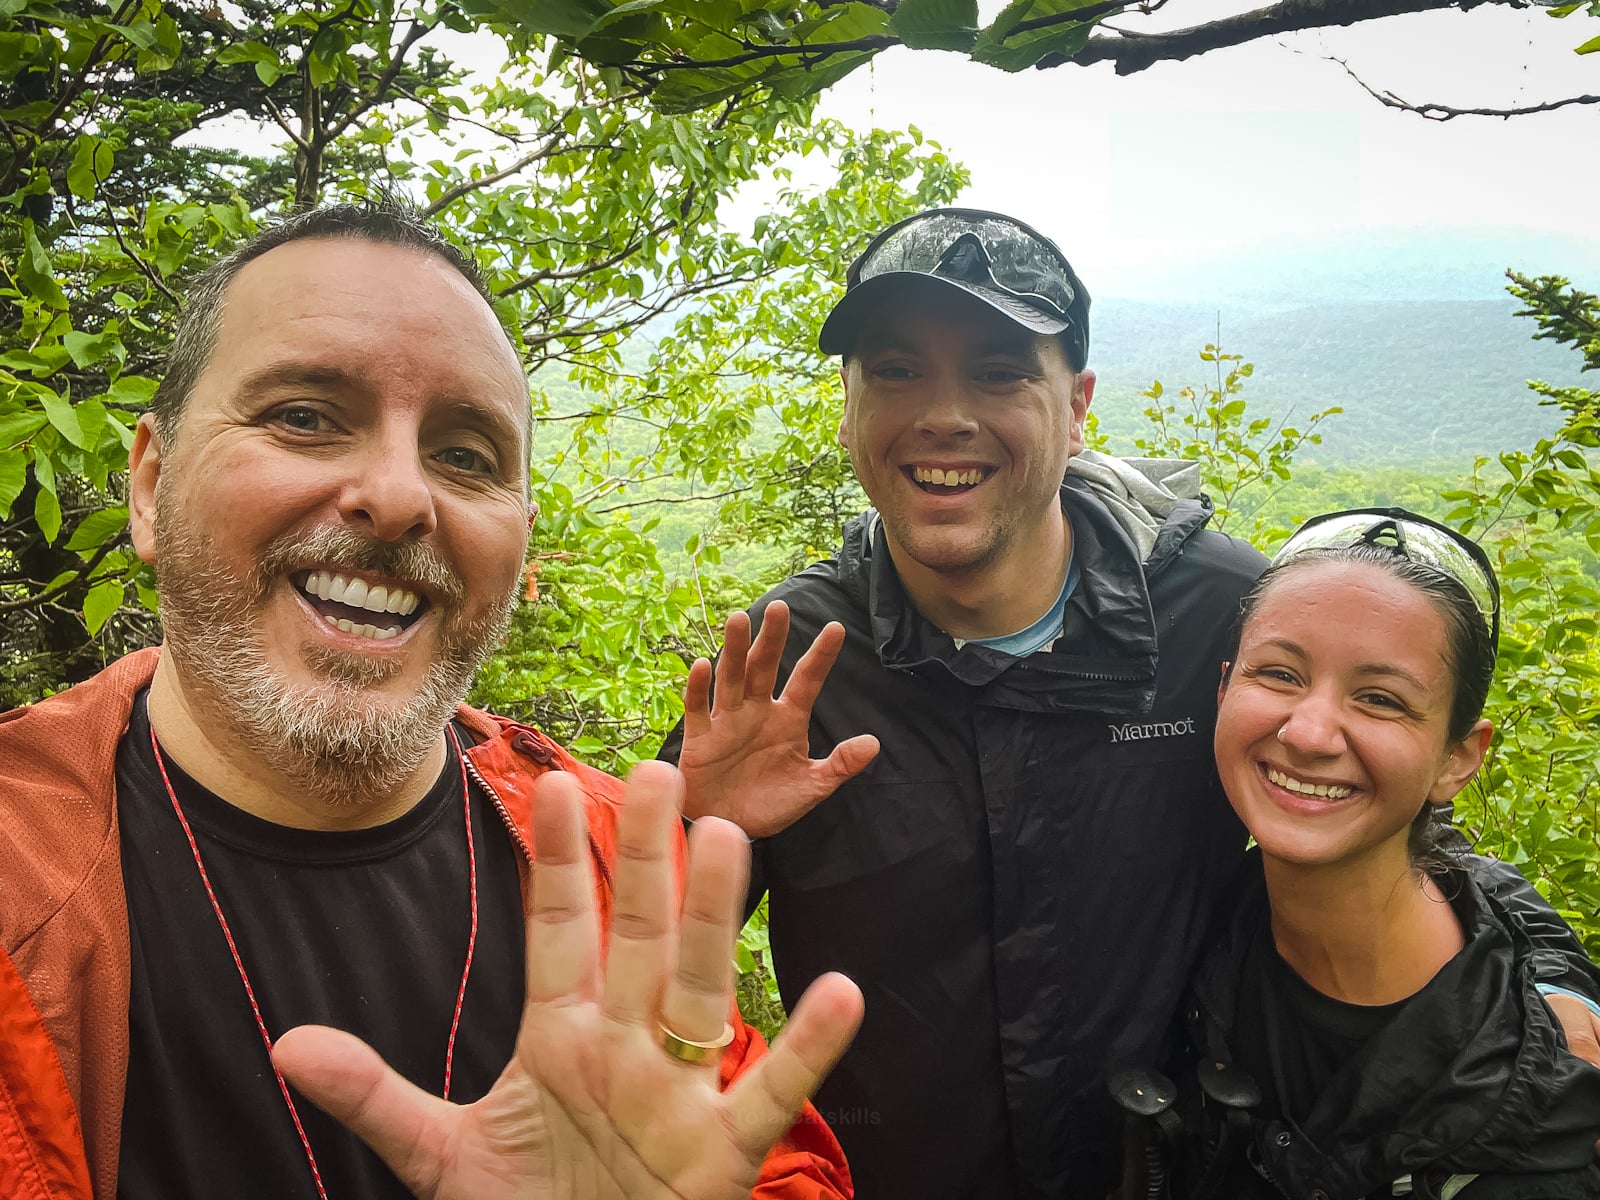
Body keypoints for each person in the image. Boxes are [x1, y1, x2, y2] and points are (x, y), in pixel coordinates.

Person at [659, 208, 1600, 1198]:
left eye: (998, 371)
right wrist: (690, 830)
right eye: (895, 371)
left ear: (1077, 406)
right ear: (847, 406)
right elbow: (629, 946)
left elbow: (1395, 812)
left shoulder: (1213, 617)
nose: (943, 414)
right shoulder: (789, 661)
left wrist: (1549, 984)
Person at [0, 202, 861, 1200]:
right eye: (304, 417)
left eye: (465, 455)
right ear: (151, 486)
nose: (399, 496)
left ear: (519, 540)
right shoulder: (25, 881)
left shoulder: (609, 856)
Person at [1116, 509, 1600, 1198]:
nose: (1310, 733)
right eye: (1279, 674)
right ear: (1223, 690)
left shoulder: (1534, 1143)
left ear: (1458, 759)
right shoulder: (1208, 918)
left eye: (1379, 699)